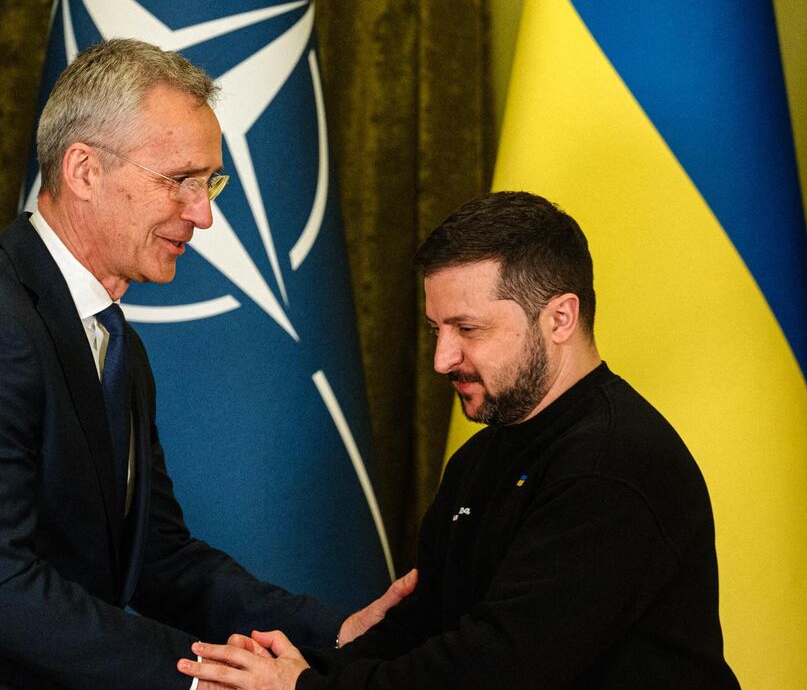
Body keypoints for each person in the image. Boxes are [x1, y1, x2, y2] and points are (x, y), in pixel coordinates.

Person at [0, 38, 411, 690]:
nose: (204, 214)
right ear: (83, 171)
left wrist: (332, 632)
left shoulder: (112, 341)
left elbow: (157, 558)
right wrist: (195, 677)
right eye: (180, 180)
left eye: (209, 182)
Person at [180, 192, 740, 689]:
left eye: (468, 329)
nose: (442, 359)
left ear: (561, 318)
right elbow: (425, 627)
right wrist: (292, 668)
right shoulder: (482, 456)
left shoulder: (614, 466)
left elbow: (495, 669)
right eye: (435, 330)